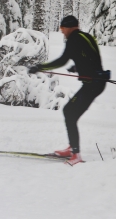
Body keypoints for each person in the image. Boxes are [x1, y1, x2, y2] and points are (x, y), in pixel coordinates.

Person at [28, 16, 109, 166]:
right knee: (71, 113)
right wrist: (78, 67)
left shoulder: (74, 39)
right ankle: (73, 148)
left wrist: (40, 67)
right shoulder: (86, 37)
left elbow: (62, 60)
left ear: (70, 27)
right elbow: (91, 57)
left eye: (63, 28)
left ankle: (76, 154)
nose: (62, 32)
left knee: (69, 113)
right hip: (96, 82)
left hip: (93, 84)